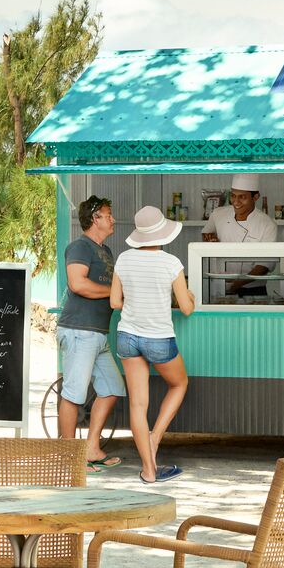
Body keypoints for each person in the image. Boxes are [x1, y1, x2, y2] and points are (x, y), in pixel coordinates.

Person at [109, 205, 196, 483]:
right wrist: (191, 296)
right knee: (179, 384)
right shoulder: (171, 264)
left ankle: (148, 470)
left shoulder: (123, 259)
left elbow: (114, 303)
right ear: (161, 234)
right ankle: (155, 437)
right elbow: (185, 308)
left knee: (138, 405)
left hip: (127, 337)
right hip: (158, 337)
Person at [55, 196, 125, 469]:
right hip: (79, 331)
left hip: (98, 334)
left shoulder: (105, 251)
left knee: (112, 389)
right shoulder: (79, 247)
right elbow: (78, 284)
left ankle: (91, 448)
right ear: (95, 218)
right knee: (73, 394)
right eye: (108, 215)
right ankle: (69, 459)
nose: (113, 219)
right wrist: (116, 292)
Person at [200, 174, 278, 243]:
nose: (236, 202)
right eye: (233, 196)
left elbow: (266, 257)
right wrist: (209, 238)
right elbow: (206, 233)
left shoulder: (268, 225)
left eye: (242, 197)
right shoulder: (218, 214)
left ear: (255, 197)